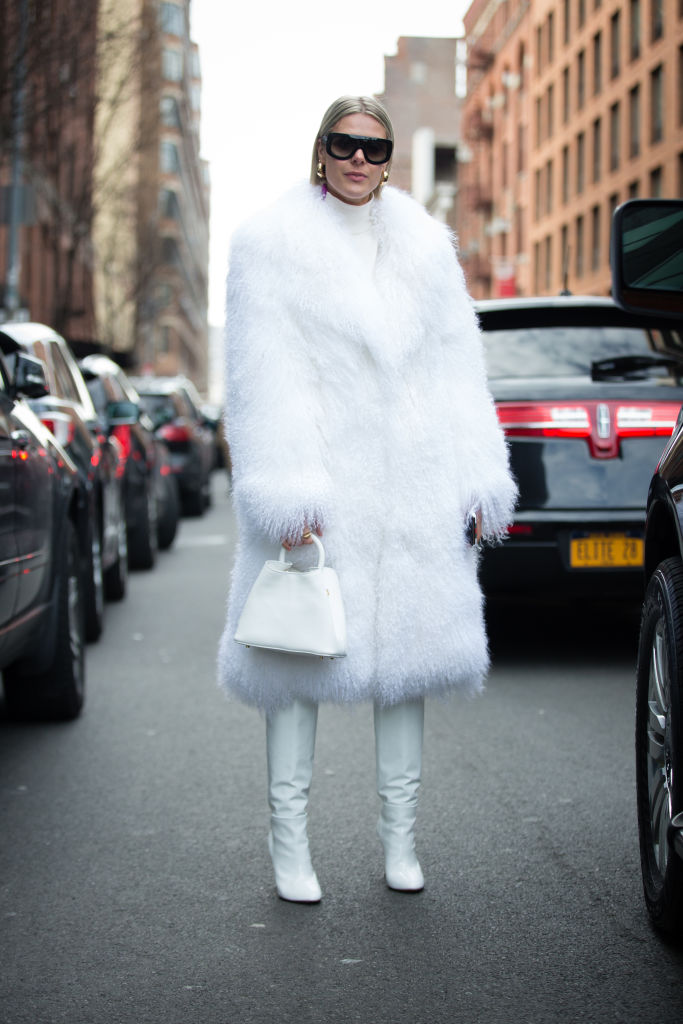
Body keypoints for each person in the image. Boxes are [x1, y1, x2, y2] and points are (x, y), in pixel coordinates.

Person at [218, 95, 517, 903]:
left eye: (374, 149)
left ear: (389, 160)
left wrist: (476, 474)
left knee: (405, 670)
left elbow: (457, 371)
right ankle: (290, 849)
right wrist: (286, 488)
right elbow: (261, 378)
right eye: (344, 144)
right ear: (319, 150)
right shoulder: (268, 244)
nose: (359, 160)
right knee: (293, 664)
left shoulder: (425, 245)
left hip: (413, 486)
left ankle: (400, 842)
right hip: (320, 486)